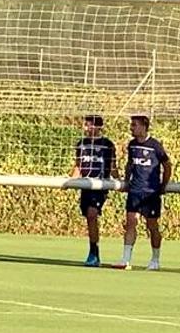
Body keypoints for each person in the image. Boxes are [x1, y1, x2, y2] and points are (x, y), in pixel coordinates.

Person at [111, 115, 172, 271]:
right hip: (135, 191)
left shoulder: (155, 145)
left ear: (144, 127)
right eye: (131, 125)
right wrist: (126, 181)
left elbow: (167, 165)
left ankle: (155, 260)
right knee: (130, 222)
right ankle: (125, 259)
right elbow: (130, 164)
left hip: (150, 193)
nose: (131, 128)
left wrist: (163, 185)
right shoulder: (132, 145)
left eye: (134, 125)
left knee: (152, 226)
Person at [70, 115, 117, 267]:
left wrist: (120, 182)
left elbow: (113, 167)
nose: (86, 128)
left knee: (92, 214)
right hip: (85, 185)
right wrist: (70, 181)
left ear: (98, 127)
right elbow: (78, 166)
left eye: (89, 125)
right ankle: (93, 250)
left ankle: (94, 253)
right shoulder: (81, 144)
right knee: (89, 217)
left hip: (100, 185)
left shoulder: (107, 145)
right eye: (85, 125)